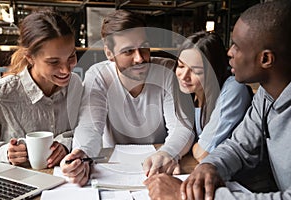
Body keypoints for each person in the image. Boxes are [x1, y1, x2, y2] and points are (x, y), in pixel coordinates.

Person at [144, 1, 291, 199]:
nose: (229, 52)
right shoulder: (266, 97)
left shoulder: (237, 89)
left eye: (237, 47)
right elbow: (238, 147)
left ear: (266, 59)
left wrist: (183, 196)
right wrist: (209, 167)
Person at [60, 9, 195, 186]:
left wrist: (168, 153)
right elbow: (90, 126)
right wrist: (82, 153)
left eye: (144, 47)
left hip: (157, 167)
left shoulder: (167, 71)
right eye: (128, 51)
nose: (139, 58)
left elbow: (182, 127)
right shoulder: (98, 75)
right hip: (112, 168)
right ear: (109, 54)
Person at [0, 10, 83, 168]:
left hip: (66, 180)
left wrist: (65, 145)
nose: (66, 70)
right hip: (19, 182)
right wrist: (5, 153)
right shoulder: (1, 94)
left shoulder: (75, 85)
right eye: (54, 62)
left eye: (71, 57)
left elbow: (84, 130)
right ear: (30, 57)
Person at [174, 31, 252, 163]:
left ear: (214, 71)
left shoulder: (234, 88)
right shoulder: (190, 95)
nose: (183, 76)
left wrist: (194, 146)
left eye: (196, 71)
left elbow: (203, 153)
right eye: (181, 66)